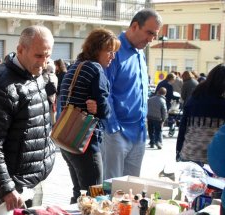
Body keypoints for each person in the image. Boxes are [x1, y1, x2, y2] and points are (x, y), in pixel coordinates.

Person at [0, 25, 55, 211]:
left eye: (48, 56)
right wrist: (7, 188)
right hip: (14, 188)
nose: (44, 62)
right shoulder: (1, 85)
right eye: (39, 56)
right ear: (20, 50)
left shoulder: (36, 74)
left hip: (33, 181)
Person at [60, 28, 119, 203]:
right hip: (85, 141)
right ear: (97, 49)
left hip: (67, 138)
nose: (112, 57)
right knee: (94, 195)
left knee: (80, 192)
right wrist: (102, 109)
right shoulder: (94, 69)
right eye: (110, 51)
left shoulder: (75, 66)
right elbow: (103, 109)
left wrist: (97, 107)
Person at [103, 8, 162, 180]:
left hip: (139, 133)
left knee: (130, 190)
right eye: (149, 33)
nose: (151, 39)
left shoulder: (141, 53)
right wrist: (113, 128)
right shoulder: (114, 50)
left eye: (155, 35)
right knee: (111, 189)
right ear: (135, 26)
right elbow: (105, 93)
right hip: (117, 132)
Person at [176, 63, 225, 164]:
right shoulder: (221, 103)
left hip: (188, 155)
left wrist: (178, 151)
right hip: (215, 163)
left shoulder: (194, 98)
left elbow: (183, 128)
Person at [43, 59, 58, 125]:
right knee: (52, 117)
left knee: (46, 118)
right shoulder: (55, 76)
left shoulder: (45, 76)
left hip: (47, 99)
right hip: (53, 99)